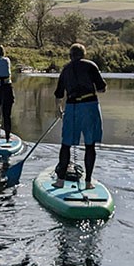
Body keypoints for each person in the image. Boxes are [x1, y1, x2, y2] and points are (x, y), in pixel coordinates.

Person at [53, 42, 107, 189]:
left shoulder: (66, 69)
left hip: (71, 107)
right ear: (83, 55)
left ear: (70, 56)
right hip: (89, 106)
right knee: (90, 145)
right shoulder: (91, 66)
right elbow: (102, 88)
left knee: (66, 145)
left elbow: (59, 93)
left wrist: (58, 108)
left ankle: (60, 181)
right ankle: (88, 182)